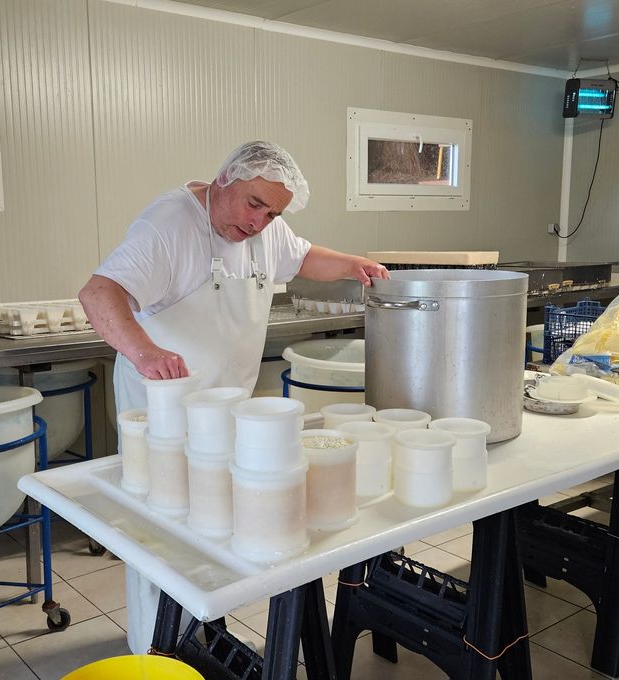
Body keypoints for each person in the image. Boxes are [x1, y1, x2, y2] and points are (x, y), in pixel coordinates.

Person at [78, 140, 388, 653]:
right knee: (162, 540)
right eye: (254, 205)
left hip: (224, 418)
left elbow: (304, 256)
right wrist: (146, 352)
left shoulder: (265, 227)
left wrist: (353, 264)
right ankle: (154, 652)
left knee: (213, 530)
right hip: (167, 420)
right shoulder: (170, 225)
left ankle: (199, 636)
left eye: (273, 213)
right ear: (223, 179)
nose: (260, 223)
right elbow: (98, 293)